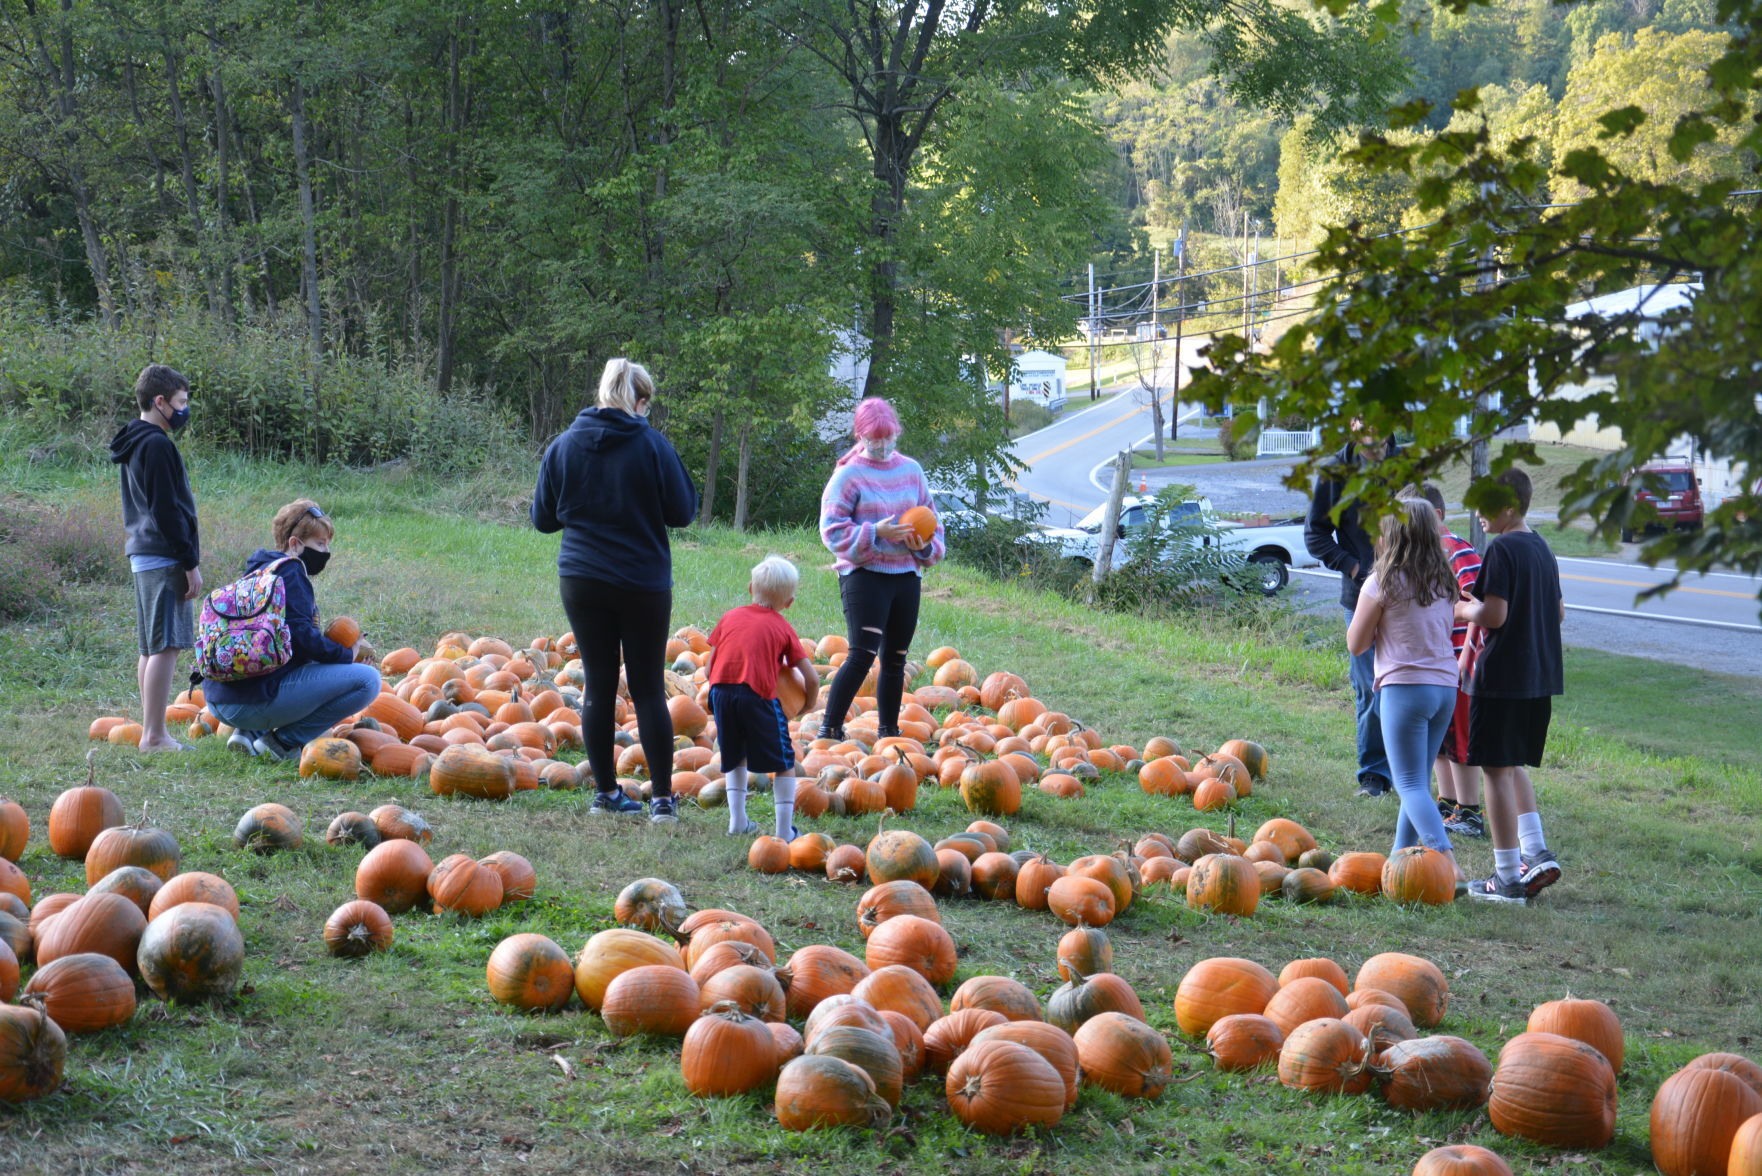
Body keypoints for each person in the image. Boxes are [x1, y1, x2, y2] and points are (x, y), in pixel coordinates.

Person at [532, 358, 698, 823]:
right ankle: (663, 800)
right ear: (640, 402)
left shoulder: (563, 446)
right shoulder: (651, 445)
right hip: (642, 581)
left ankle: (605, 794)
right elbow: (683, 511)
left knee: (598, 686)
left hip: (582, 579)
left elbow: (543, 519)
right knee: (647, 688)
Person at [1455, 468, 1565, 904]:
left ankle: (1505, 878)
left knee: (1494, 772)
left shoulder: (1502, 549)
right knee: (1513, 762)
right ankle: (1535, 852)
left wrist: (1463, 611)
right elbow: (1556, 614)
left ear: (1507, 508)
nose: (1477, 514)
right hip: (1538, 677)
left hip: (1501, 677)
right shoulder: (1541, 547)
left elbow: (1494, 616)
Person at [203, 500, 381, 759]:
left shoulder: (259, 568)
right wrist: (348, 653)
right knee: (368, 680)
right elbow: (302, 638)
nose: (325, 551)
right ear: (295, 544)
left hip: (218, 700)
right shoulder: (292, 572)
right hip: (252, 703)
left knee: (288, 664)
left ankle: (246, 733)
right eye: (320, 544)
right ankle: (283, 742)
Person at [1347, 497, 1466, 881]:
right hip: (1444, 689)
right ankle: (1399, 862)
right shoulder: (1444, 579)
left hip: (1404, 689)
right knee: (1416, 776)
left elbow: (1356, 644)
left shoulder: (1382, 580)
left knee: (1408, 782)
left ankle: (1447, 863)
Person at [816, 398, 945, 742]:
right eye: (876, 440)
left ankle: (888, 732)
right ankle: (829, 729)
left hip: (906, 576)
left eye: (890, 439)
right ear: (860, 436)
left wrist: (925, 548)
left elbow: (934, 524)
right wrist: (876, 533)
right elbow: (831, 530)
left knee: (896, 659)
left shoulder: (912, 471)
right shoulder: (849, 475)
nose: (884, 446)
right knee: (862, 654)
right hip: (865, 575)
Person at [110, 364, 203, 752]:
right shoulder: (157, 444)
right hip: (163, 555)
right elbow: (166, 510)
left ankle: (152, 728)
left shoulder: (134, 440)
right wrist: (189, 562)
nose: (184, 411)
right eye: (181, 402)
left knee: (151, 645)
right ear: (160, 401)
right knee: (167, 645)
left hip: (142, 551)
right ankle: (154, 735)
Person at [1306, 429, 1398, 796]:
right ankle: (1374, 774)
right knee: (1369, 687)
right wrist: (1356, 568)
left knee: (1413, 686)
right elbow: (1315, 534)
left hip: (1411, 598)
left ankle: (1414, 775)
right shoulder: (1335, 472)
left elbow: (1427, 523)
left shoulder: (1406, 466)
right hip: (1362, 594)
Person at [706, 556, 820, 839]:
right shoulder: (783, 627)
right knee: (783, 762)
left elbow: (709, 668)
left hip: (721, 692)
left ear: (750, 588)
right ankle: (784, 833)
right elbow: (812, 677)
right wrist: (807, 703)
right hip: (758, 696)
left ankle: (738, 822)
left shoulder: (729, 617)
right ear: (789, 602)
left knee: (734, 757)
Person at [1421, 483, 1486, 838]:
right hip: (1437, 664)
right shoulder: (1427, 556)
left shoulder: (1459, 552)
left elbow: (1481, 605)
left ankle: (1470, 811)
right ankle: (1447, 800)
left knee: (1462, 741)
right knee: (1441, 740)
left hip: (1463, 661)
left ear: (1438, 516)